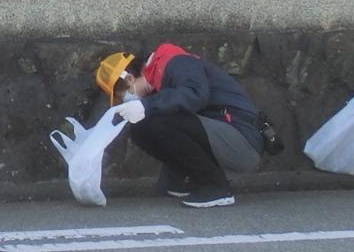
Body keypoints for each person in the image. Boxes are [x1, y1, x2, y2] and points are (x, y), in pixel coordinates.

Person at [96, 43, 268, 208]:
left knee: (158, 119)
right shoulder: (158, 77)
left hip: (243, 141)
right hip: (230, 139)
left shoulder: (177, 62)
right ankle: (182, 181)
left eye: (123, 95)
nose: (125, 100)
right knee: (141, 127)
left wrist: (147, 105)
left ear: (130, 79)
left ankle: (215, 187)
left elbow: (195, 94)